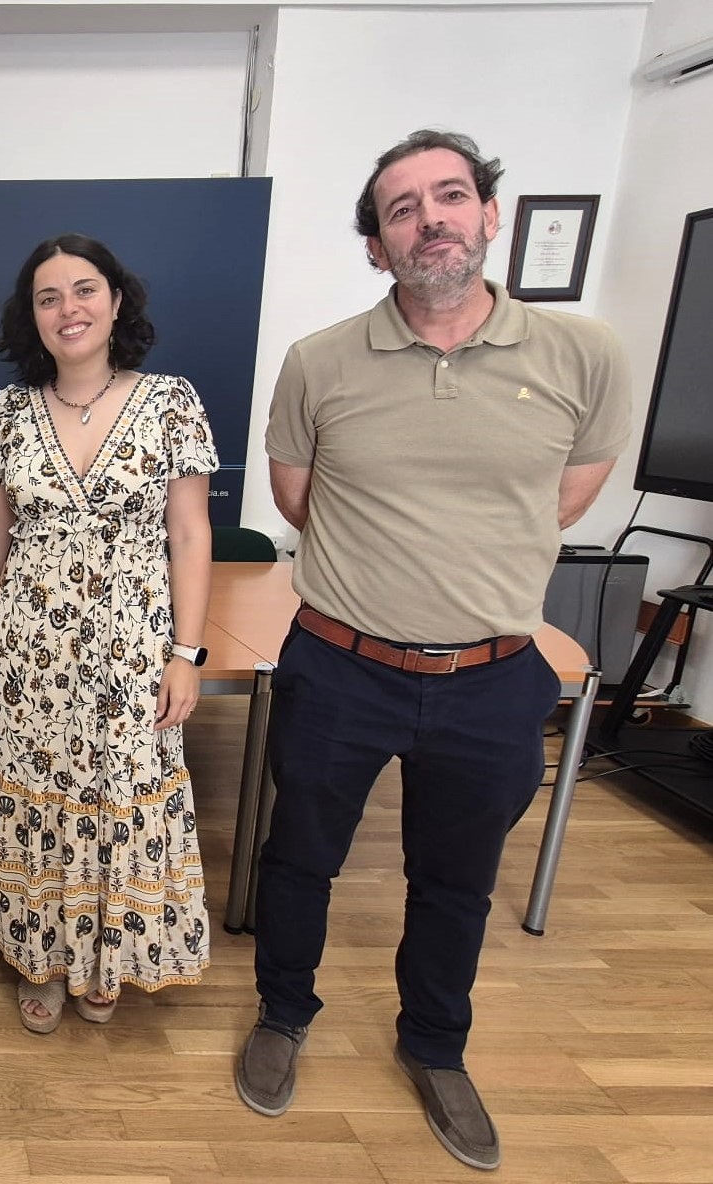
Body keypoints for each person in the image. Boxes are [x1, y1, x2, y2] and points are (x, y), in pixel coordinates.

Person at [235, 131, 630, 1170]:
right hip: (340, 663)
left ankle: (435, 1045)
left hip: (490, 677)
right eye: (401, 209)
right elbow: (297, 499)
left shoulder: (582, 354)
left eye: (449, 196)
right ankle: (283, 1012)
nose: (430, 220)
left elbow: (563, 497)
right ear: (377, 245)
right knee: (299, 857)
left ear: (490, 215)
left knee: (456, 879)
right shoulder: (320, 360)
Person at [0, 233, 217, 1033]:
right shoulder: (10, 412)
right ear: (32, 316)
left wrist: (186, 654)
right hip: (30, 651)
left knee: (118, 795)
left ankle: (104, 959)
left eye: (83, 290)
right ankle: (41, 955)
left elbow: (190, 534)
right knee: (38, 795)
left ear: (115, 302)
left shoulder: (171, 401)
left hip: (131, 649)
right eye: (48, 297)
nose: (67, 309)